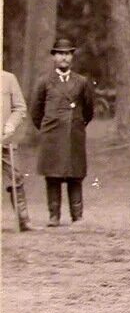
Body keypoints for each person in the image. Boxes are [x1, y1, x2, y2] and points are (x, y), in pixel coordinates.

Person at [30, 37, 95, 227]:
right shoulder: (44, 82)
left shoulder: (82, 82)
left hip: (74, 134)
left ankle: (77, 216)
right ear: (54, 57)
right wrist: (48, 127)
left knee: (75, 176)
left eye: (67, 54)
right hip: (52, 135)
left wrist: (76, 125)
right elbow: (36, 111)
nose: (64, 58)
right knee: (53, 176)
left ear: (72, 57)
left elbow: (89, 110)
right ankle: (54, 216)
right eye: (60, 54)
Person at [2, 68, 32, 232]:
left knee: (16, 176)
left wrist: (10, 124)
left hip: (5, 140)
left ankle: (23, 220)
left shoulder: (9, 78)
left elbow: (20, 108)